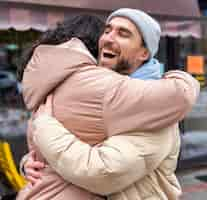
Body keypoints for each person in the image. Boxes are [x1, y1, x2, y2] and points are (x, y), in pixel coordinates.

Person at [19, 8, 199, 200]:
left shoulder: (157, 109)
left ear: (144, 53)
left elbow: (102, 172)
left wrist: (46, 127)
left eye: (123, 34)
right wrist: (31, 163)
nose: (108, 38)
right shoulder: (96, 93)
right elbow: (73, 142)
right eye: (107, 31)